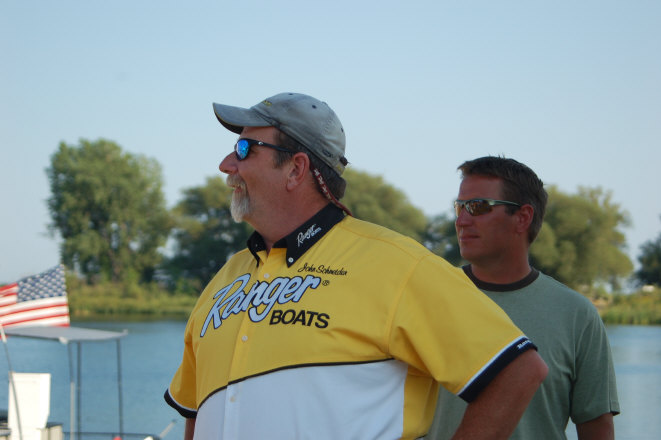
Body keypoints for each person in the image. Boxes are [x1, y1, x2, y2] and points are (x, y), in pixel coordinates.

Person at [164, 93, 548, 440]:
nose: (226, 164)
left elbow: (517, 371)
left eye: (244, 148)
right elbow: (198, 410)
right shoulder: (225, 279)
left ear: (296, 169)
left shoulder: (398, 265)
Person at [426, 156, 620, 440]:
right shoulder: (427, 297)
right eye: (459, 207)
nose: (461, 220)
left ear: (523, 217)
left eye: (477, 206)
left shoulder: (577, 314)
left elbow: (597, 430)